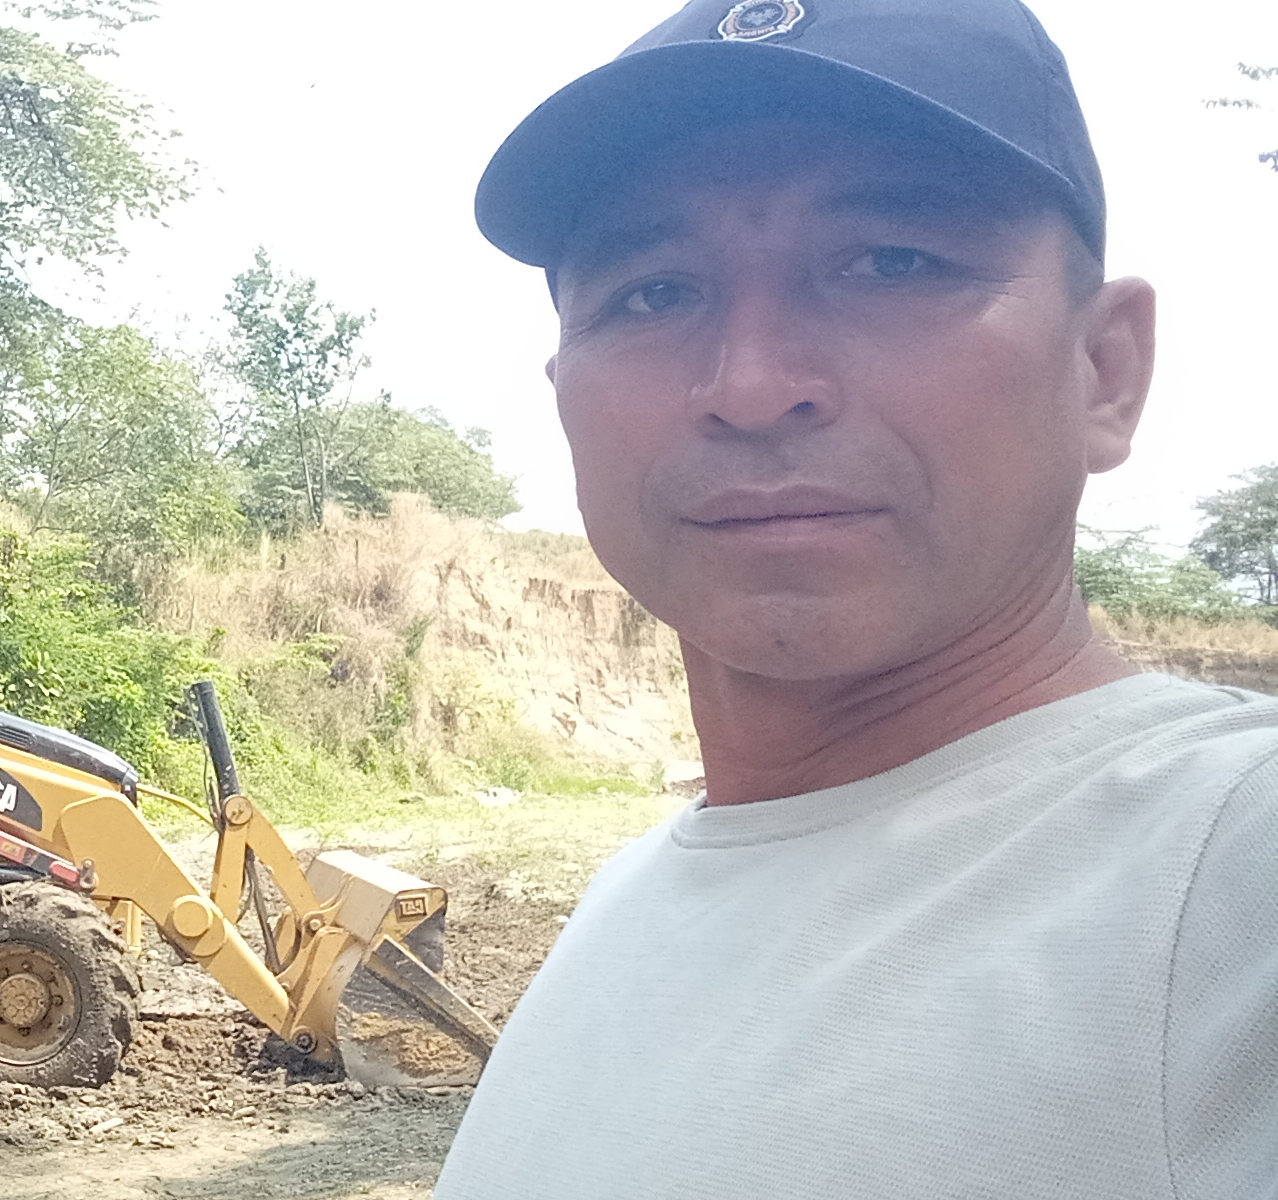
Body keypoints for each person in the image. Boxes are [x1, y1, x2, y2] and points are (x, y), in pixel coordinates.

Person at [435, 0, 1278, 1195]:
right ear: (563, 389)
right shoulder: (628, 901)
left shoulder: (1233, 864)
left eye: (892, 262)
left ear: (1105, 370)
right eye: (654, 293)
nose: (751, 385)